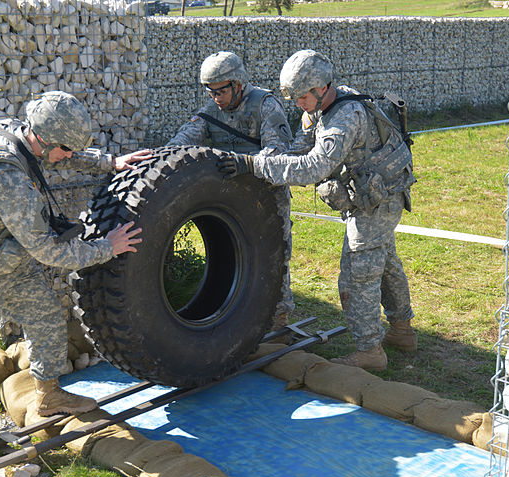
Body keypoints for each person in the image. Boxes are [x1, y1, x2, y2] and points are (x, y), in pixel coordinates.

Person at [0, 91, 150, 462]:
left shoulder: (17, 135)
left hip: (4, 256)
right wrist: (109, 246)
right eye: (65, 150)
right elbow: (51, 252)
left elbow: (65, 158)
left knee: (47, 318)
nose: (68, 157)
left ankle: (49, 394)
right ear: (44, 139)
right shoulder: (6, 179)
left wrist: (110, 162)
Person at [218, 50, 417, 371]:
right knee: (385, 262)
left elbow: (313, 166)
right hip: (369, 194)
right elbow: (299, 148)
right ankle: (402, 332)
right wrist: (263, 165)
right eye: (293, 97)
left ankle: (370, 351)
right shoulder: (317, 110)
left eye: (301, 97)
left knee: (357, 273)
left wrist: (253, 164)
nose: (297, 104)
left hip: (379, 198)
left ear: (322, 88)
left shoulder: (344, 118)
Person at [167, 51, 295, 330]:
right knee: (238, 255)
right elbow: (181, 143)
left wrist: (247, 164)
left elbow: (278, 154)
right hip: (231, 199)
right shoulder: (211, 112)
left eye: (221, 91)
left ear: (238, 84)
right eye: (210, 91)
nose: (215, 97)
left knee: (277, 253)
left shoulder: (266, 105)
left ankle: (278, 319)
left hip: (267, 194)